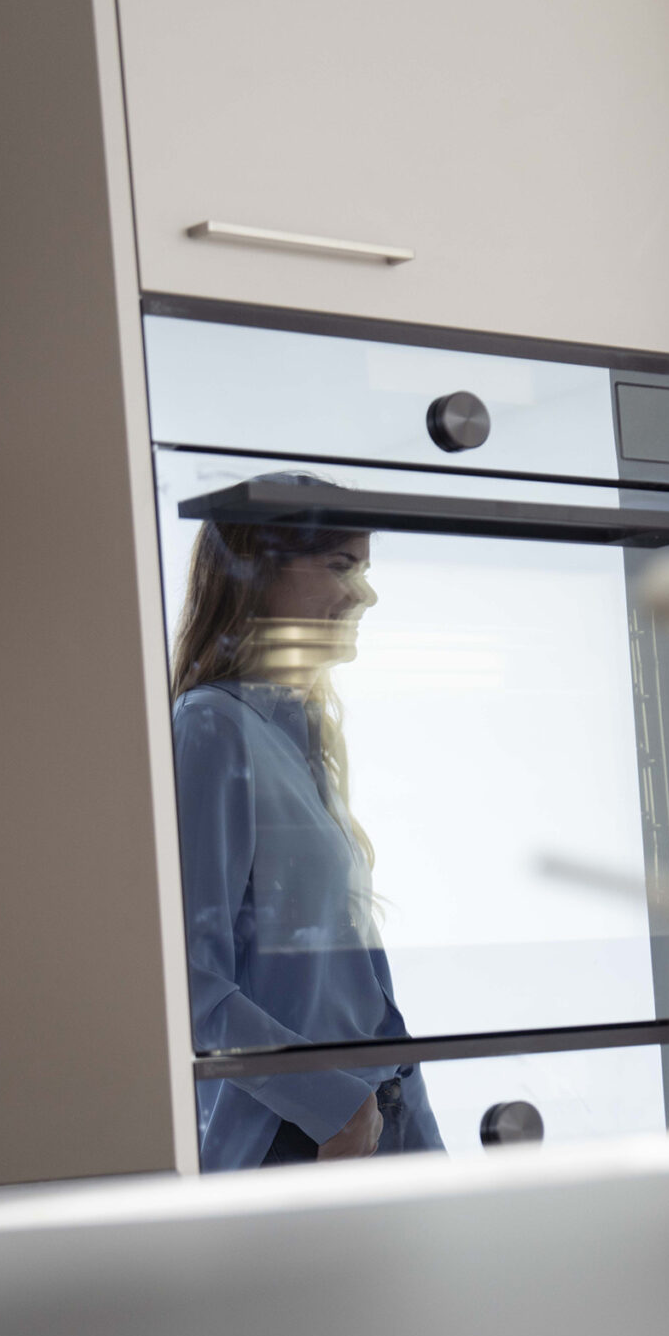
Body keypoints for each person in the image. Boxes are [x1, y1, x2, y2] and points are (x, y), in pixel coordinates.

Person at [170, 476, 444, 1168]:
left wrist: (413, 1131)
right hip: (298, 1134)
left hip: (375, 1118)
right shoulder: (211, 727)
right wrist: (333, 1104)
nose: (365, 594)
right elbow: (189, 982)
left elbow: (360, 989)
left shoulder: (301, 733)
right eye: (342, 565)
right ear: (259, 571)